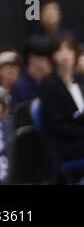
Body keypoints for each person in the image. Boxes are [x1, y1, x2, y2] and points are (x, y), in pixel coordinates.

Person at [37, 37, 84, 165]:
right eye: (60, 50)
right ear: (53, 56)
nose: (65, 55)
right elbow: (57, 125)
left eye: (69, 49)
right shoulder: (49, 85)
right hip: (66, 144)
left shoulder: (79, 82)